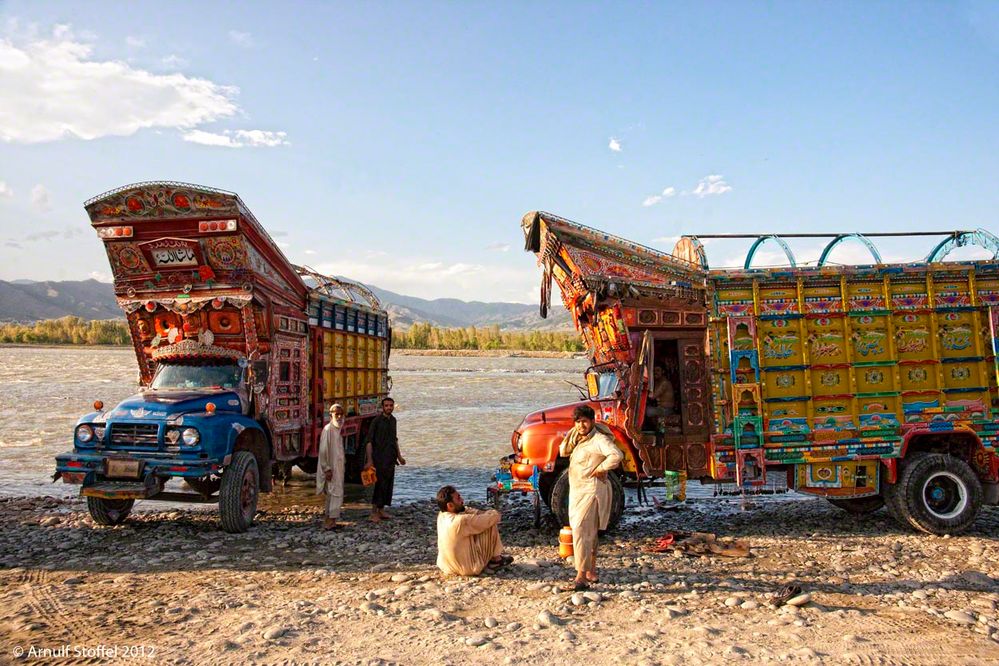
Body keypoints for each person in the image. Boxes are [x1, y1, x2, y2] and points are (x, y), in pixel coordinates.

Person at [558, 404, 623, 591]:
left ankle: (580, 576)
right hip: (578, 490)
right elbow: (563, 451)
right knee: (589, 532)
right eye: (578, 422)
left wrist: (601, 469)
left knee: (580, 531)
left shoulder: (599, 439)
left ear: (592, 422)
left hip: (591, 491)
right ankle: (591, 571)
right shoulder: (579, 438)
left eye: (584, 422)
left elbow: (616, 455)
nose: (581, 425)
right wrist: (575, 432)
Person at [435, 485, 512, 576]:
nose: (462, 500)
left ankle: (492, 559)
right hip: (468, 568)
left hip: (446, 567)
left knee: (481, 522)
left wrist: (477, 513)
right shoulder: (462, 521)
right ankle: (496, 560)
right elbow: (495, 517)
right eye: (458, 498)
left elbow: (467, 510)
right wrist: (490, 512)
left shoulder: (441, 515)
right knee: (490, 523)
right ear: (450, 505)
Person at [364, 397, 405, 522]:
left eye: (391, 405)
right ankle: (373, 512)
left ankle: (381, 510)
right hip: (378, 458)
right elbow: (369, 441)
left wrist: (399, 456)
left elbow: (394, 440)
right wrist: (369, 460)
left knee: (387, 484)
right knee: (376, 485)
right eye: (386, 405)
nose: (389, 408)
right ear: (382, 407)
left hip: (390, 458)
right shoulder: (376, 421)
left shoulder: (393, 420)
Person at [317, 403, 346, 530]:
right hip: (331, 468)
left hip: (338, 467)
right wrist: (327, 469)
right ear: (331, 415)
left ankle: (331, 521)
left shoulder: (337, 430)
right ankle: (329, 522)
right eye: (336, 414)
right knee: (334, 492)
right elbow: (323, 451)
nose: (339, 417)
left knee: (334, 492)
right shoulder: (328, 430)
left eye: (341, 414)